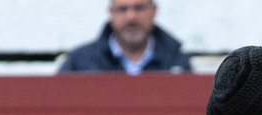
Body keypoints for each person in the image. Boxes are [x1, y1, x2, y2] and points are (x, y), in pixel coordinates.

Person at [59, 1, 192, 75]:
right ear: (111, 13)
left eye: (139, 8)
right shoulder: (80, 61)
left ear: (154, 10)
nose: (131, 16)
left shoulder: (177, 60)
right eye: (122, 9)